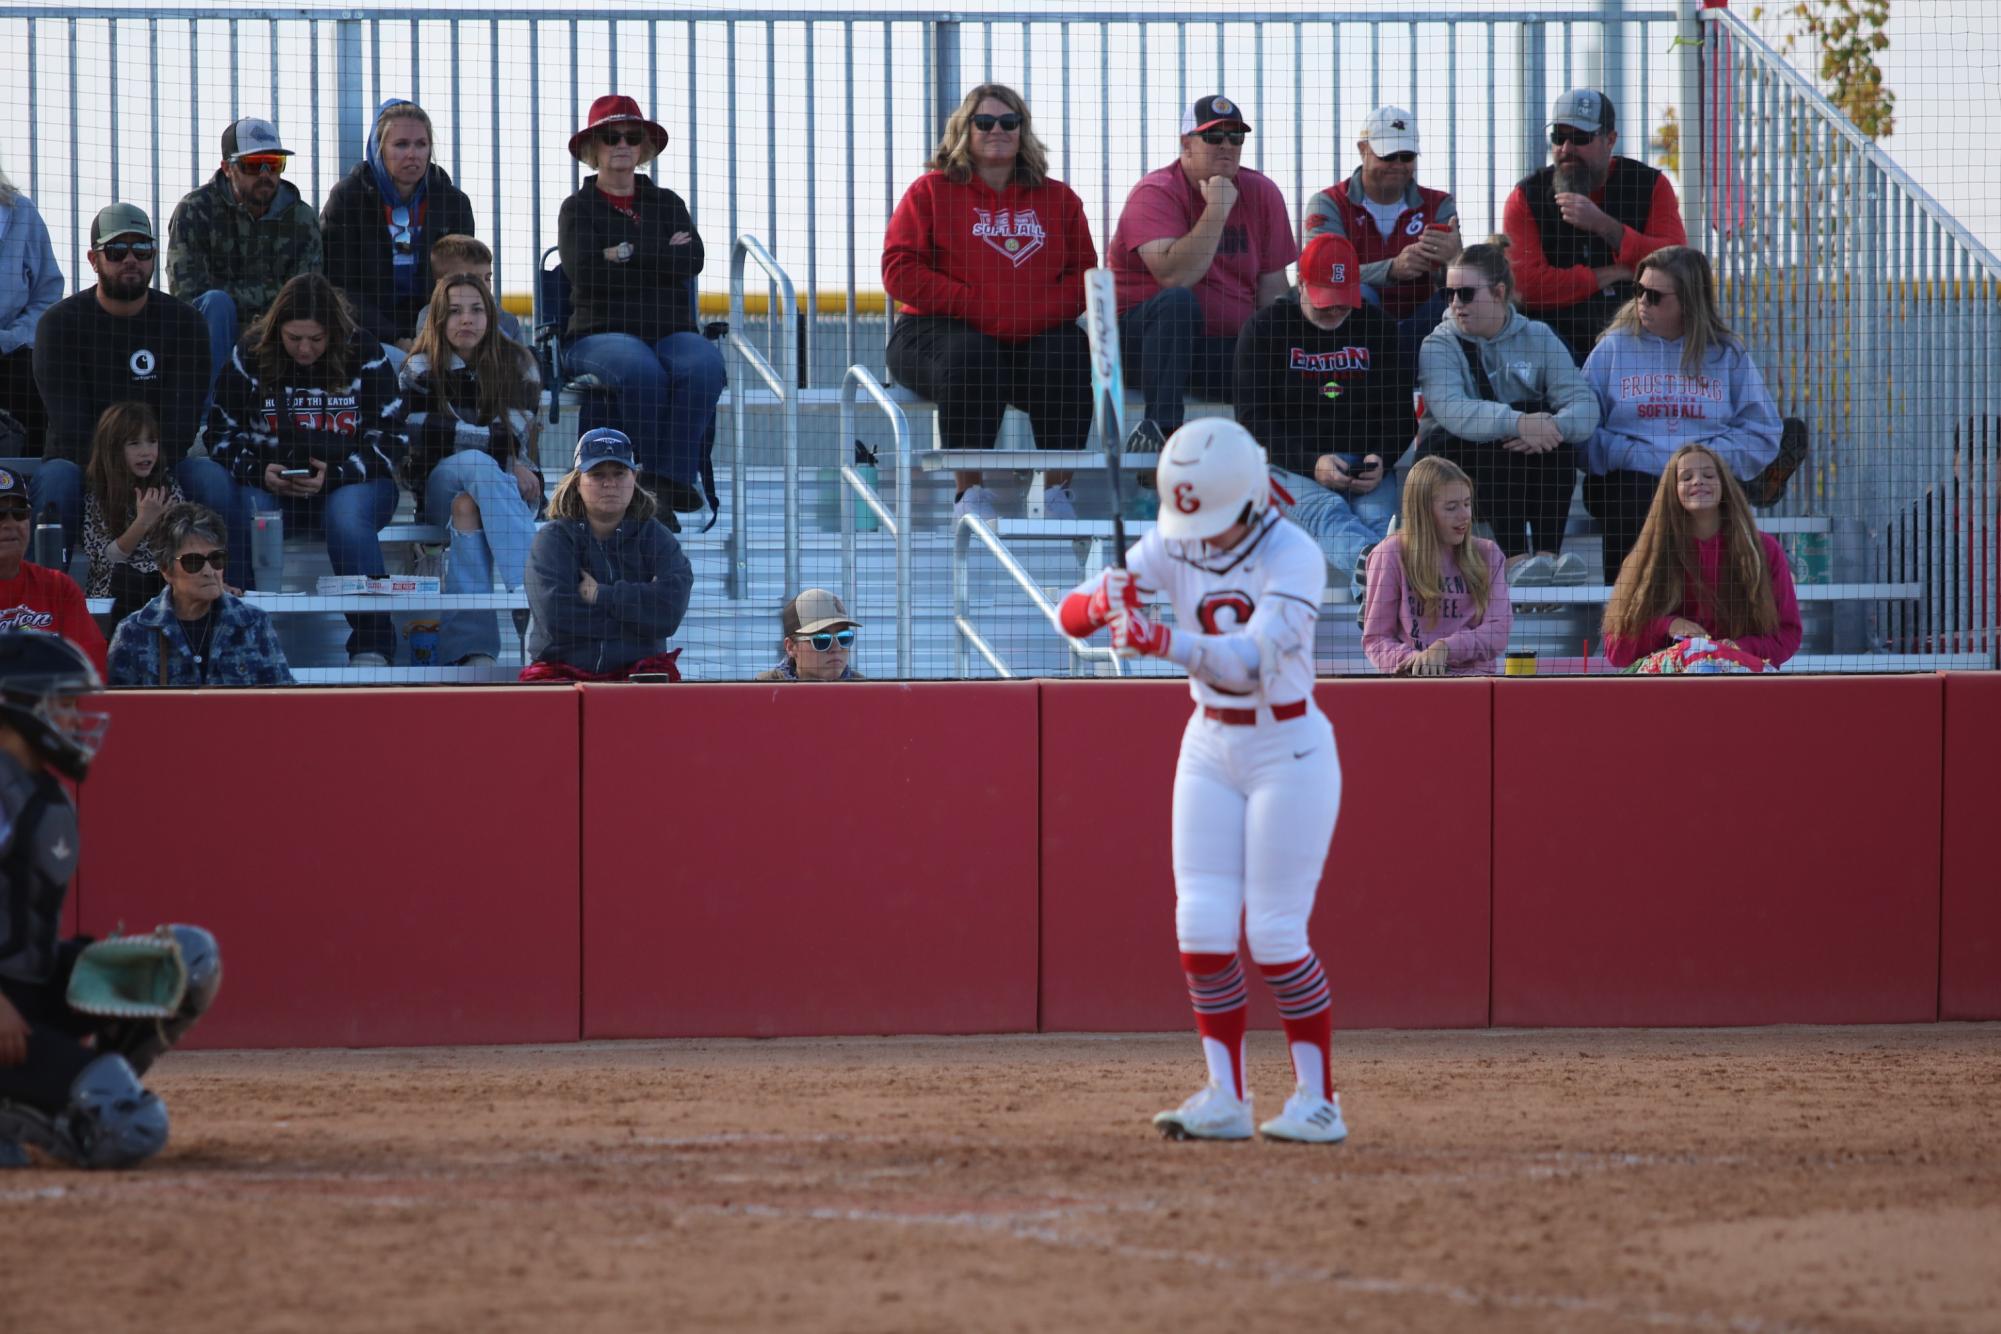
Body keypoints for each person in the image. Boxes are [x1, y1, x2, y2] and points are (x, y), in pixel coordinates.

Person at [1055, 419, 1348, 1146]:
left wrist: (1163, 641)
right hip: (1209, 744)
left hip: (1289, 747)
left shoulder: (1294, 553)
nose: (1204, 536)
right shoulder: (1174, 539)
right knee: (1201, 926)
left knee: (1275, 934)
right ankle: (1226, 1094)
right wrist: (1103, 600)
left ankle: (1318, 1101)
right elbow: (1069, 617)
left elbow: (1251, 663)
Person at [0, 629, 222, 1169]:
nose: (76, 720)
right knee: (131, 1130)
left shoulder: (34, 785)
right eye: (63, 705)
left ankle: (59, 1095)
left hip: (25, 989)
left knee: (184, 963)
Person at [883, 83, 1098, 526]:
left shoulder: (1059, 199)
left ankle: (1056, 492)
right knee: (972, 355)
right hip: (937, 332)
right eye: (984, 122)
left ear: (1023, 131)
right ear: (965, 130)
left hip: (1030, 335)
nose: (997, 130)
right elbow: (899, 270)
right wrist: (979, 305)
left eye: (1008, 121)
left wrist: (1026, 314)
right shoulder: (929, 192)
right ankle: (970, 493)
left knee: (1068, 351)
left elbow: (1085, 277)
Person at [205, 274, 405, 665]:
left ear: (334, 331)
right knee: (247, 504)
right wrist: (259, 470)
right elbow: (219, 432)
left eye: (316, 339)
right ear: (276, 328)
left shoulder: (364, 351)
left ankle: (372, 644)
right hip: (269, 489)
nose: (304, 349)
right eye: (294, 338)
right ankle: (242, 635)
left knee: (345, 516)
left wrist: (338, 474)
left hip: (355, 485)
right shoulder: (250, 353)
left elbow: (393, 439)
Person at [31, 205, 232, 565]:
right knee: (56, 480)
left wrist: (147, 468)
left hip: (160, 461)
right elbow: (69, 424)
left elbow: (182, 423)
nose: (131, 260)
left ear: (154, 257)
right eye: (116, 251)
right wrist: (121, 476)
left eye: (141, 251)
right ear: (94, 259)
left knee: (211, 478)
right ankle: (44, 606)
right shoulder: (58, 324)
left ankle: (234, 593)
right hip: (83, 463)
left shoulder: (185, 323)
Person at [557, 95, 724, 520]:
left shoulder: (667, 202)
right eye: (611, 136)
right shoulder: (577, 208)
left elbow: (692, 259)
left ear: (644, 147)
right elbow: (587, 273)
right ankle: (643, 483)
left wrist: (623, 253)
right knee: (642, 369)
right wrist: (657, 254)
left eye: (633, 136)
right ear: (593, 149)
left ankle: (670, 482)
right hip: (596, 335)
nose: (623, 144)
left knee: (705, 363)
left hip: (669, 332)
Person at [1581, 245, 1782, 582]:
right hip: (1628, 479)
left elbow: (1762, 433)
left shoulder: (1725, 354)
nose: (1643, 301)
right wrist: (1637, 456)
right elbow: (1582, 430)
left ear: (1689, 301)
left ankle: (1706, 625)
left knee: (1704, 495)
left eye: (1656, 296)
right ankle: (1624, 624)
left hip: (1702, 476)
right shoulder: (1613, 349)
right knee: (1636, 498)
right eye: (1639, 290)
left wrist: (1697, 463)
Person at [1110, 95, 1298, 441]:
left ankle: (1283, 463)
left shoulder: (1262, 192)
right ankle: (1160, 434)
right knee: (1178, 303)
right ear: (1186, 144)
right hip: (1145, 349)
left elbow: (1272, 292)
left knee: (1285, 342)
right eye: (1213, 137)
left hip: (1216, 349)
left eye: (1236, 137)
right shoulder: (1156, 192)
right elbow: (1175, 277)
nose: (1226, 146)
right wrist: (1218, 209)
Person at [1233, 233, 1413, 586]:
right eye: (1324, 303)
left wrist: (1382, 457)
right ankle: (1390, 586)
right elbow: (1252, 420)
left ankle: (1377, 600)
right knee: (1328, 513)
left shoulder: (1380, 329)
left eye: (1342, 303)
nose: (1334, 311)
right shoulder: (1264, 330)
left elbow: (1402, 415)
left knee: (1377, 520)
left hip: (1365, 463)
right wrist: (1311, 464)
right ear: (1300, 284)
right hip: (1289, 464)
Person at [1416, 242, 1599, 586]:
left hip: (1524, 469)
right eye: (1450, 293)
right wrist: (1518, 423)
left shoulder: (1539, 336)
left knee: (1550, 427)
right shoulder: (1438, 343)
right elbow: (1453, 411)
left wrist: (1549, 426)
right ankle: (1514, 559)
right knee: (1504, 427)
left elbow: (1585, 405)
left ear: (1499, 293)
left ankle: (1547, 559)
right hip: (1456, 463)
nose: (1456, 304)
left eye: (1466, 293)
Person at [400, 272, 544, 668]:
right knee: (476, 468)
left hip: (503, 491)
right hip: (436, 489)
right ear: (439, 320)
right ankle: (538, 598)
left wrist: (499, 451)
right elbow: (421, 434)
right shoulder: (418, 367)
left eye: (477, 310)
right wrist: (500, 452)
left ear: (491, 315)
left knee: (468, 507)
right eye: (455, 311)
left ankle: (472, 649)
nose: (467, 320)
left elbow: (515, 433)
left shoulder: (518, 363)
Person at [1502, 89, 1685, 365]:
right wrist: (1612, 272)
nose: (1566, 149)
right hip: (1553, 342)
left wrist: (1606, 227)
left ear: (1610, 140)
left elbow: (1677, 263)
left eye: (1580, 137)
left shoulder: (1649, 185)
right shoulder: (1526, 196)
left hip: (1638, 331)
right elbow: (1525, 287)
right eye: (1558, 137)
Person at [1602, 443, 1801, 670]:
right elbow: (1616, 649)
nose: (1698, 481)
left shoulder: (1765, 549)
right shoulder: (1647, 555)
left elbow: (1787, 634)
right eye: (1686, 477)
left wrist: (1737, 648)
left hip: (1739, 675)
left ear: (1725, 486)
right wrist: (1668, 626)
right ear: (1671, 491)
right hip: (1667, 684)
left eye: (1708, 475)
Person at [167, 117, 324, 391]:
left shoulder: (301, 217)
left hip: (279, 331)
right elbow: (187, 295)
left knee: (305, 318)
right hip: (215, 333)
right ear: (227, 168)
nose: (265, 174)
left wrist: (263, 314)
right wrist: (264, 302)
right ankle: (209, 421)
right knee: (216, 304)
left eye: (274, 164)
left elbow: (306, 292)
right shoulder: (194, 211)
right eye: (253, 165)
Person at [523, 428, 691, 682]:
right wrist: (640, 614)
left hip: (641, 671)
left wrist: (603, 594)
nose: (609, 483)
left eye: (619, 473)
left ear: (633, 477)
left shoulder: (658, 537)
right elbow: (556, 618)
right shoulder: (553, 539)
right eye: (597, 474)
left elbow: (668, 614)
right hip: (561, 669)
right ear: (578, 481)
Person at [321, 99, 477, 365]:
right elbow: (339, 287)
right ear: (379, 148)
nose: (412, 154)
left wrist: (431, 334)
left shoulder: (453, 203)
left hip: (438, 328)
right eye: (401, 144)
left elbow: (464, 280)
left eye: (421, 144)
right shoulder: (348, 199)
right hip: (366, 331)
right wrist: (395, 338)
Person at [1301, 106, 1461, 352]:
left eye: (1407, 156)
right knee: (1361, 295)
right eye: (1388, 156)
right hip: (1355, 327)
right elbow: (1323, 277)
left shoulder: (1440, 204)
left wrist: (1454, 261)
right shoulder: (1328, 203)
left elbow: (1456, 282)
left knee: (1456, 298)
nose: (1398, 164)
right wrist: (1391, 269)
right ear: (1363, 150)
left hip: (1424, 322)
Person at [106, 503, 292, 687]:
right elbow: (118, 710)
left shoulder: (254, 623)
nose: (209, 571)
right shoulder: (134, 632)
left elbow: (284, 703)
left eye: (216, 558)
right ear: (166, 570)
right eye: (193, 562)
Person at [1361, 457, 1511, 676]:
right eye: (1451, 508)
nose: (1465, 516)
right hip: (1415, 684)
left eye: (1467, 504)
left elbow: (1498, 631)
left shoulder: (1488, 554)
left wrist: (1446, 648)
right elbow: (1376, 639)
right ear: (1423, 512)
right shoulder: (1389, 554)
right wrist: (1418, 662)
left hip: (1475, 685)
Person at [81, 403, 184, 624]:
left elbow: (184, 543)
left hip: (162, 578)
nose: (146, 451)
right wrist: (143, 521)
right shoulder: (99, 492)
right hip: (118, 584)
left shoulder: (167, 486)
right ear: (113, 448)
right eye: (134, 443)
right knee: (130, 580)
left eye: (152, 441)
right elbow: (106, 559)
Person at [0, 466, 107, 678]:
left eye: (20, 512)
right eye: (0, 514)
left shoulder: (59, 587)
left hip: (48, 706)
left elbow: (91, 668)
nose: (11, 523)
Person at [0, 165, 62, 451]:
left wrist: (12, 338)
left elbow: (46, 295)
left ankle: (30, 483)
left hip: (11, 352)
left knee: (36, 377)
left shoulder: (21, 213)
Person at [423, 235, 526, 346]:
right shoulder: (428, 316)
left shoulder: (508, 321)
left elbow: (520, 361)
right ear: (442, 284)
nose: (484, 286)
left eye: (487, 278)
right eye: (474, 279)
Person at [754, 588, 865, 682]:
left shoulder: (864, 691)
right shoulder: (764, 691)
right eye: (821, 640)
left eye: (844, 638)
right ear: (791, 647)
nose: (836, 648)